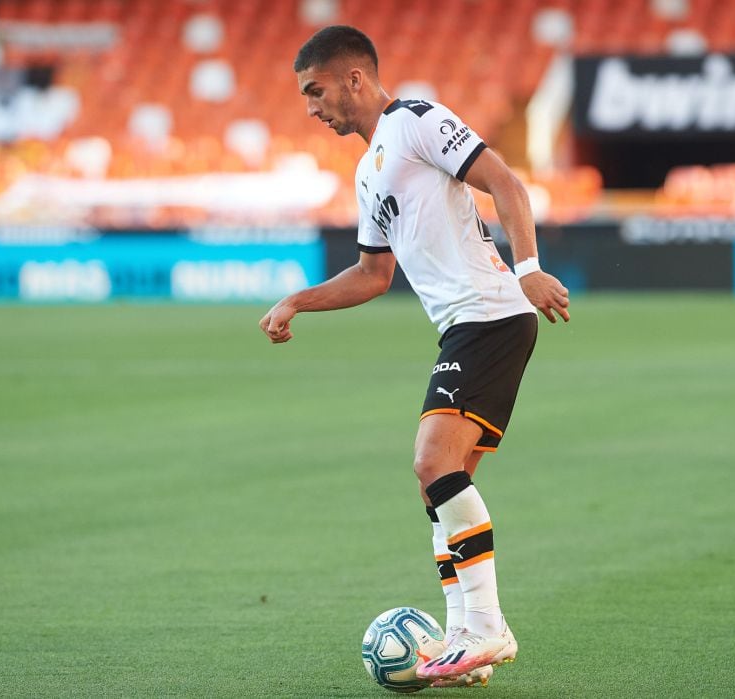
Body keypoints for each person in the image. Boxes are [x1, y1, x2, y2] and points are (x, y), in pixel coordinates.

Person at [259, 25, 571, 687]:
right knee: (441, 487)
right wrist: (297, 301)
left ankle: (487, 627)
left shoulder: (418, 121)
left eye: (315, 91)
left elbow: (506, 183)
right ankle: (461, 641)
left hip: (491, 314)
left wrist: (529, 268)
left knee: (432, 461)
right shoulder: (368, 171)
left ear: (355, 79)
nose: (311, 107)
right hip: (464, 326)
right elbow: (374, 276)